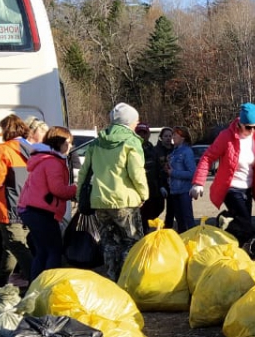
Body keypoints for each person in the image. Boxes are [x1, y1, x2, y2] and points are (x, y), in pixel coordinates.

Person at [77, 103, 149, 280]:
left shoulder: (96, 142)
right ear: (130, 121)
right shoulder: (131, 142)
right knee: (131, 241)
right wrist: (144, 194)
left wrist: (80, 196)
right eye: (136, 120)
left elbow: (84, 172)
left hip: (99, 200)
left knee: (109, 242)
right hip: (125, 200)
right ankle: (128, 279)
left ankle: (112, 278)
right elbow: (137, 173)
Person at [190, 102, 255, 242]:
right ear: (240, 123)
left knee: (244, 224)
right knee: (245, 222)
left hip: (248, 189)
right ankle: (226, 226)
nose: (252, 130)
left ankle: (234, 241)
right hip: (231, 188)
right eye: (248, 127)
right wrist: (198, 183)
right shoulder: (226, 136)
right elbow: (207, 157)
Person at [0, 113, 33, 287]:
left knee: (16, 245)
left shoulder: (3, 150)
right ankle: (0, 281)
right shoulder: (30, 149)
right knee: (11, 245)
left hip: (9, 206)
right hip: (30, 204)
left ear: (6, 130)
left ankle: (36, 280)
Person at [18, 126, 77, 280]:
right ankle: (49, 286)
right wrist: (77, 189)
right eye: (68, 143)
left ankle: (36, 287)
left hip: (31, 210)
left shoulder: (43, 159)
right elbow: (58, 190)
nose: (70, 146)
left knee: (42, 252)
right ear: (58, 142)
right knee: (54, 251)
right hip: (41, 212)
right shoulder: (53, 162)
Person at [165, 127, 197, 233]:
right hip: (174, 191)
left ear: (182, 137)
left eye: (175, 135)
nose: (172, 137)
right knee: (179, 221)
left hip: (184, 191)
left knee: (188, 219)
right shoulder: (174, 151)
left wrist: (173, 173)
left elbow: (192, 173)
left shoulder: (187, 151)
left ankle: (193, 240)